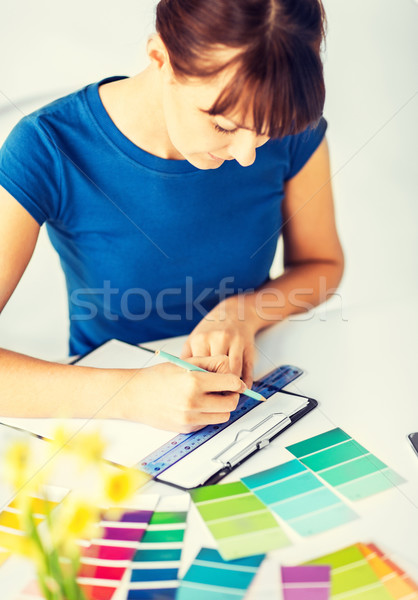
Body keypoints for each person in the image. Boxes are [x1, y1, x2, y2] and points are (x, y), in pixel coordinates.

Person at [0, 0, 344, 432]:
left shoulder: (288, 123)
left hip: (249, 397)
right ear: (160, 57)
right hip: (108, 420)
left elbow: (321, 266)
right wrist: (129, 395)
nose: (247, 153)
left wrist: (246, 312)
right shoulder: (47, 147)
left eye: (267, 132)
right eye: (223, 126)